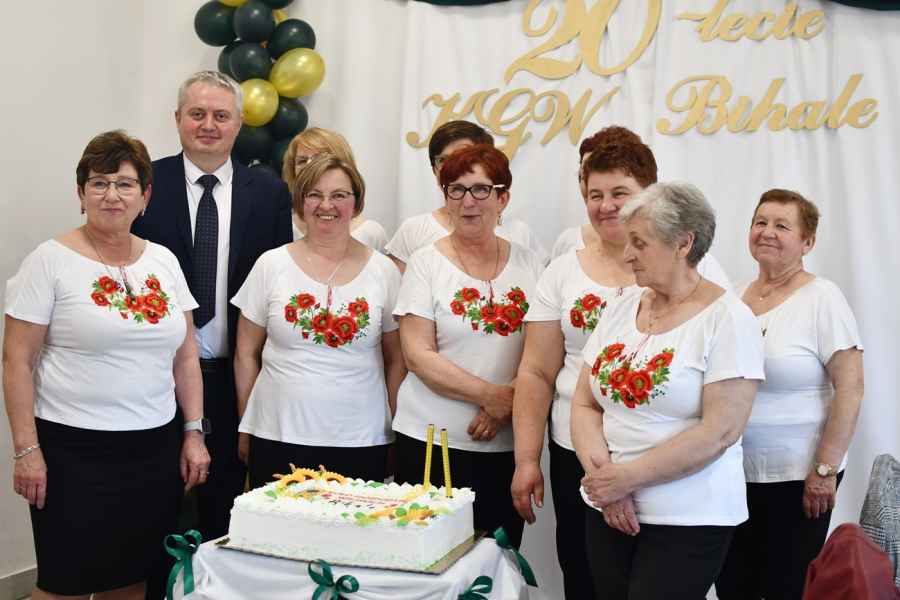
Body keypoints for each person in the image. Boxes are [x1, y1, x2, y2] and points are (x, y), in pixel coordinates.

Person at [511, 126, 731, 598]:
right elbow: (536, 371)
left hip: (669, 465)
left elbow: (721, 394)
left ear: (649, 195)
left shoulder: (701, 273)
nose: (606, 205)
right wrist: (528, 459)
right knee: (585, 575)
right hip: (579, 450)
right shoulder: (563, 270)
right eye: (595, 195)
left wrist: (628, 476)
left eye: (620, 193)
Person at [3, 130, 209, 600]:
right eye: (99, 183)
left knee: (130, 581)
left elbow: (185, 356)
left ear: (145, 196)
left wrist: (193, 433)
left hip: (153, 450)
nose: (112, 195)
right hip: (73, 453)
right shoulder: (48, 262)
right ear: (80, 194)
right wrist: (26, 450)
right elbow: (16, 361)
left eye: (125, 184)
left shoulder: (163, 261)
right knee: (63, 586)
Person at [571, 182, 764, 600]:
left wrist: (625, 480)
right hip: (608, 507)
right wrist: (606, 484)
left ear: (684, 243)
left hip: (688, 517)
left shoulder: (729, 319)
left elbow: (720, 432)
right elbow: (584, 402)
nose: (627, 254)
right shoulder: (623, 306)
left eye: (640, 243)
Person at [131, 70, 292, 544]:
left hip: (233, 377)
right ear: (177, 118)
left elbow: (275, 288)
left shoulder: (268, 194)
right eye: (197, 113)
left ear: (239, 124)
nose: (208, 125)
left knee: (226, 514)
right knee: (155, 515)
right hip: (156, 379)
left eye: (221, 116)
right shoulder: (144, 184)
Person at [715, 189, 864, 600]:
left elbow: (851, 388)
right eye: (760, 222)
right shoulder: (733, 296)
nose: (767, 232)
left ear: (807, 242)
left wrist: (824, 470)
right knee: (733, 586)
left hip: (799, 478)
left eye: (782, 225)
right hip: (731, 473)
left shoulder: (823, 298)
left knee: (787, 587)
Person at [393, 144, 543, 549]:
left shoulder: (531, 264)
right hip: (430, 443)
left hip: (507, 445)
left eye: (480, 189)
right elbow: (417, 355)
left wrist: (507, 402)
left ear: (502, 198)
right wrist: (490, 396)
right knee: (429, 561)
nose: (467, 201)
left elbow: (546, 353)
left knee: (498, 561)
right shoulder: (425, 263)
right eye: (455, 190)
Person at [233, 155, 404, 486]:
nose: (326, 205)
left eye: (339, 195)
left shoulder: (383, 271)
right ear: (300, 203)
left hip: (361, 437)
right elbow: (245, 353)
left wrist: (394, 426)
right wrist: (247, 423)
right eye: (314, 194)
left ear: (356, 203)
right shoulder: (271, 265)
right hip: (277, 432)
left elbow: (397, 358)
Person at [385, 120, 548, 271]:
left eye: (464, 156)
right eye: (443, 160)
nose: (453, 167)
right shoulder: (414, 230)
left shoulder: (520, 233)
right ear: (434, 169)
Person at [281, 127, 389, 252]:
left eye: (318, 158)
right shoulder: (283, 227)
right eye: (302, 161)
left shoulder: (370, 233)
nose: (309, 166)